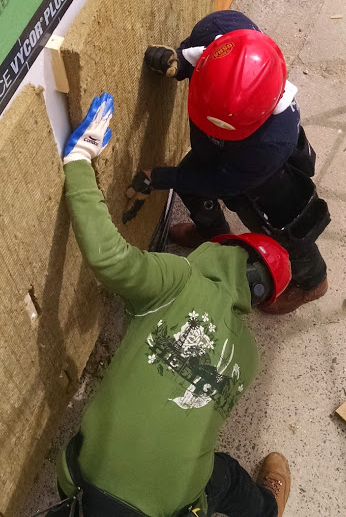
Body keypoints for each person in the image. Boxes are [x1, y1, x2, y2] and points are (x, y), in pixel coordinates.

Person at [48, 93, 292, 517]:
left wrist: (79, 162)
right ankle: (267, 508)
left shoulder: (178, 279)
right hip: (163, 510)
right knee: (226, 478)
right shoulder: (249, 356)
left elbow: (108, 257)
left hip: (81, 485)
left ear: (225, 248)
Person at [142, 10, 330, 315]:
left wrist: (163, 177)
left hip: (268, 185)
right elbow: (203, 60)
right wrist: (175, 63)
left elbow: (220, 183)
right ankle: (212, 234)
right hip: (218, 154)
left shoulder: (272, 141)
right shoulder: (225, 35)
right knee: (191, 184)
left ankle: (312, 281)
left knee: (284, 233)